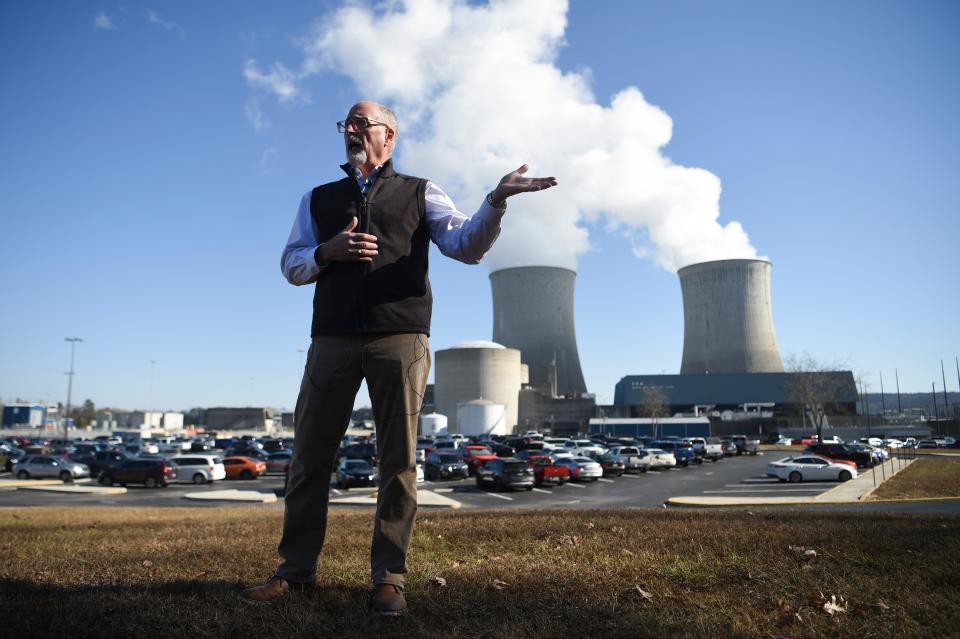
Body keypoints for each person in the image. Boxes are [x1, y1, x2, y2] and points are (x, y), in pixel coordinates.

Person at [239, 100, 556, 615]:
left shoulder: (420, 191)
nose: (353, 130)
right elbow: (291, 264)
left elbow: (465, 245)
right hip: (331, 340)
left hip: (401, 340)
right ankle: (294, 574)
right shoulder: (317, 198)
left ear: (390, 136)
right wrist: (328, 252)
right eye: (347, 123)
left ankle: (389, 579)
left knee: (398, 461)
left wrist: (496, 200)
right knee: (309, 458)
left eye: (363, 123)